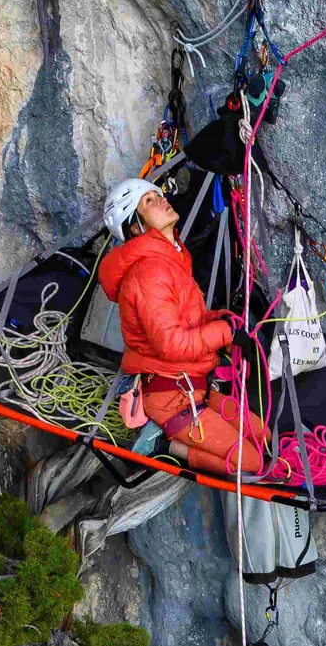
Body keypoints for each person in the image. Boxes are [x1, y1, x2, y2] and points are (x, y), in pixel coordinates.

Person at [98, 178, 266, 476]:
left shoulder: (170, 259)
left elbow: (187, 322)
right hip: (173, 398)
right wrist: (226, 333)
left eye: (157, 195)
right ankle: (164, 446)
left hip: (193, 385)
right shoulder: (148, 272)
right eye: (148, 201)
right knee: (252, 463)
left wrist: (222, 321)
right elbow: (172, 343)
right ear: (136, 227)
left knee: (263, 436)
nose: (161, 200)